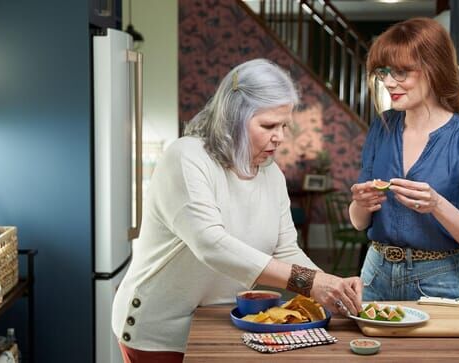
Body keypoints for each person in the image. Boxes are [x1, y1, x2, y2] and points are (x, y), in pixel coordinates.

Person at [112, 58, 363, 363]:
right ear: (233, 118)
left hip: (219, 323)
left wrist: (330, 285)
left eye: (284, 125)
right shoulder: (187, 157)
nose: (280, 136)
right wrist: (311, 283)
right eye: (269, 125)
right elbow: (212, 245)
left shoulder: (271, 174)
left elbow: (285, 249)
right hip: (158, 331)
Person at [349, 18, 459, 302]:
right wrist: (360, 203)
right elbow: (358, 222)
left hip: (439, 282)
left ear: (434, 69)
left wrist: (437, 205)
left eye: (402, 72)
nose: (389, 82)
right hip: (374, 273)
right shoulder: (382, 127)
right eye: (384, 72)